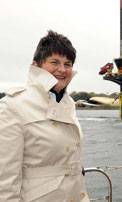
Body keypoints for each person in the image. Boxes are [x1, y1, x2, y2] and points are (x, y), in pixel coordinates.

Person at [0, 30, 90, 201]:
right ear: (36, 65)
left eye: (68, 64)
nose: (62, 70)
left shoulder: (67, 103)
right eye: (54, 62)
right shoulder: (12, 106)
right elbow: (4, 182)